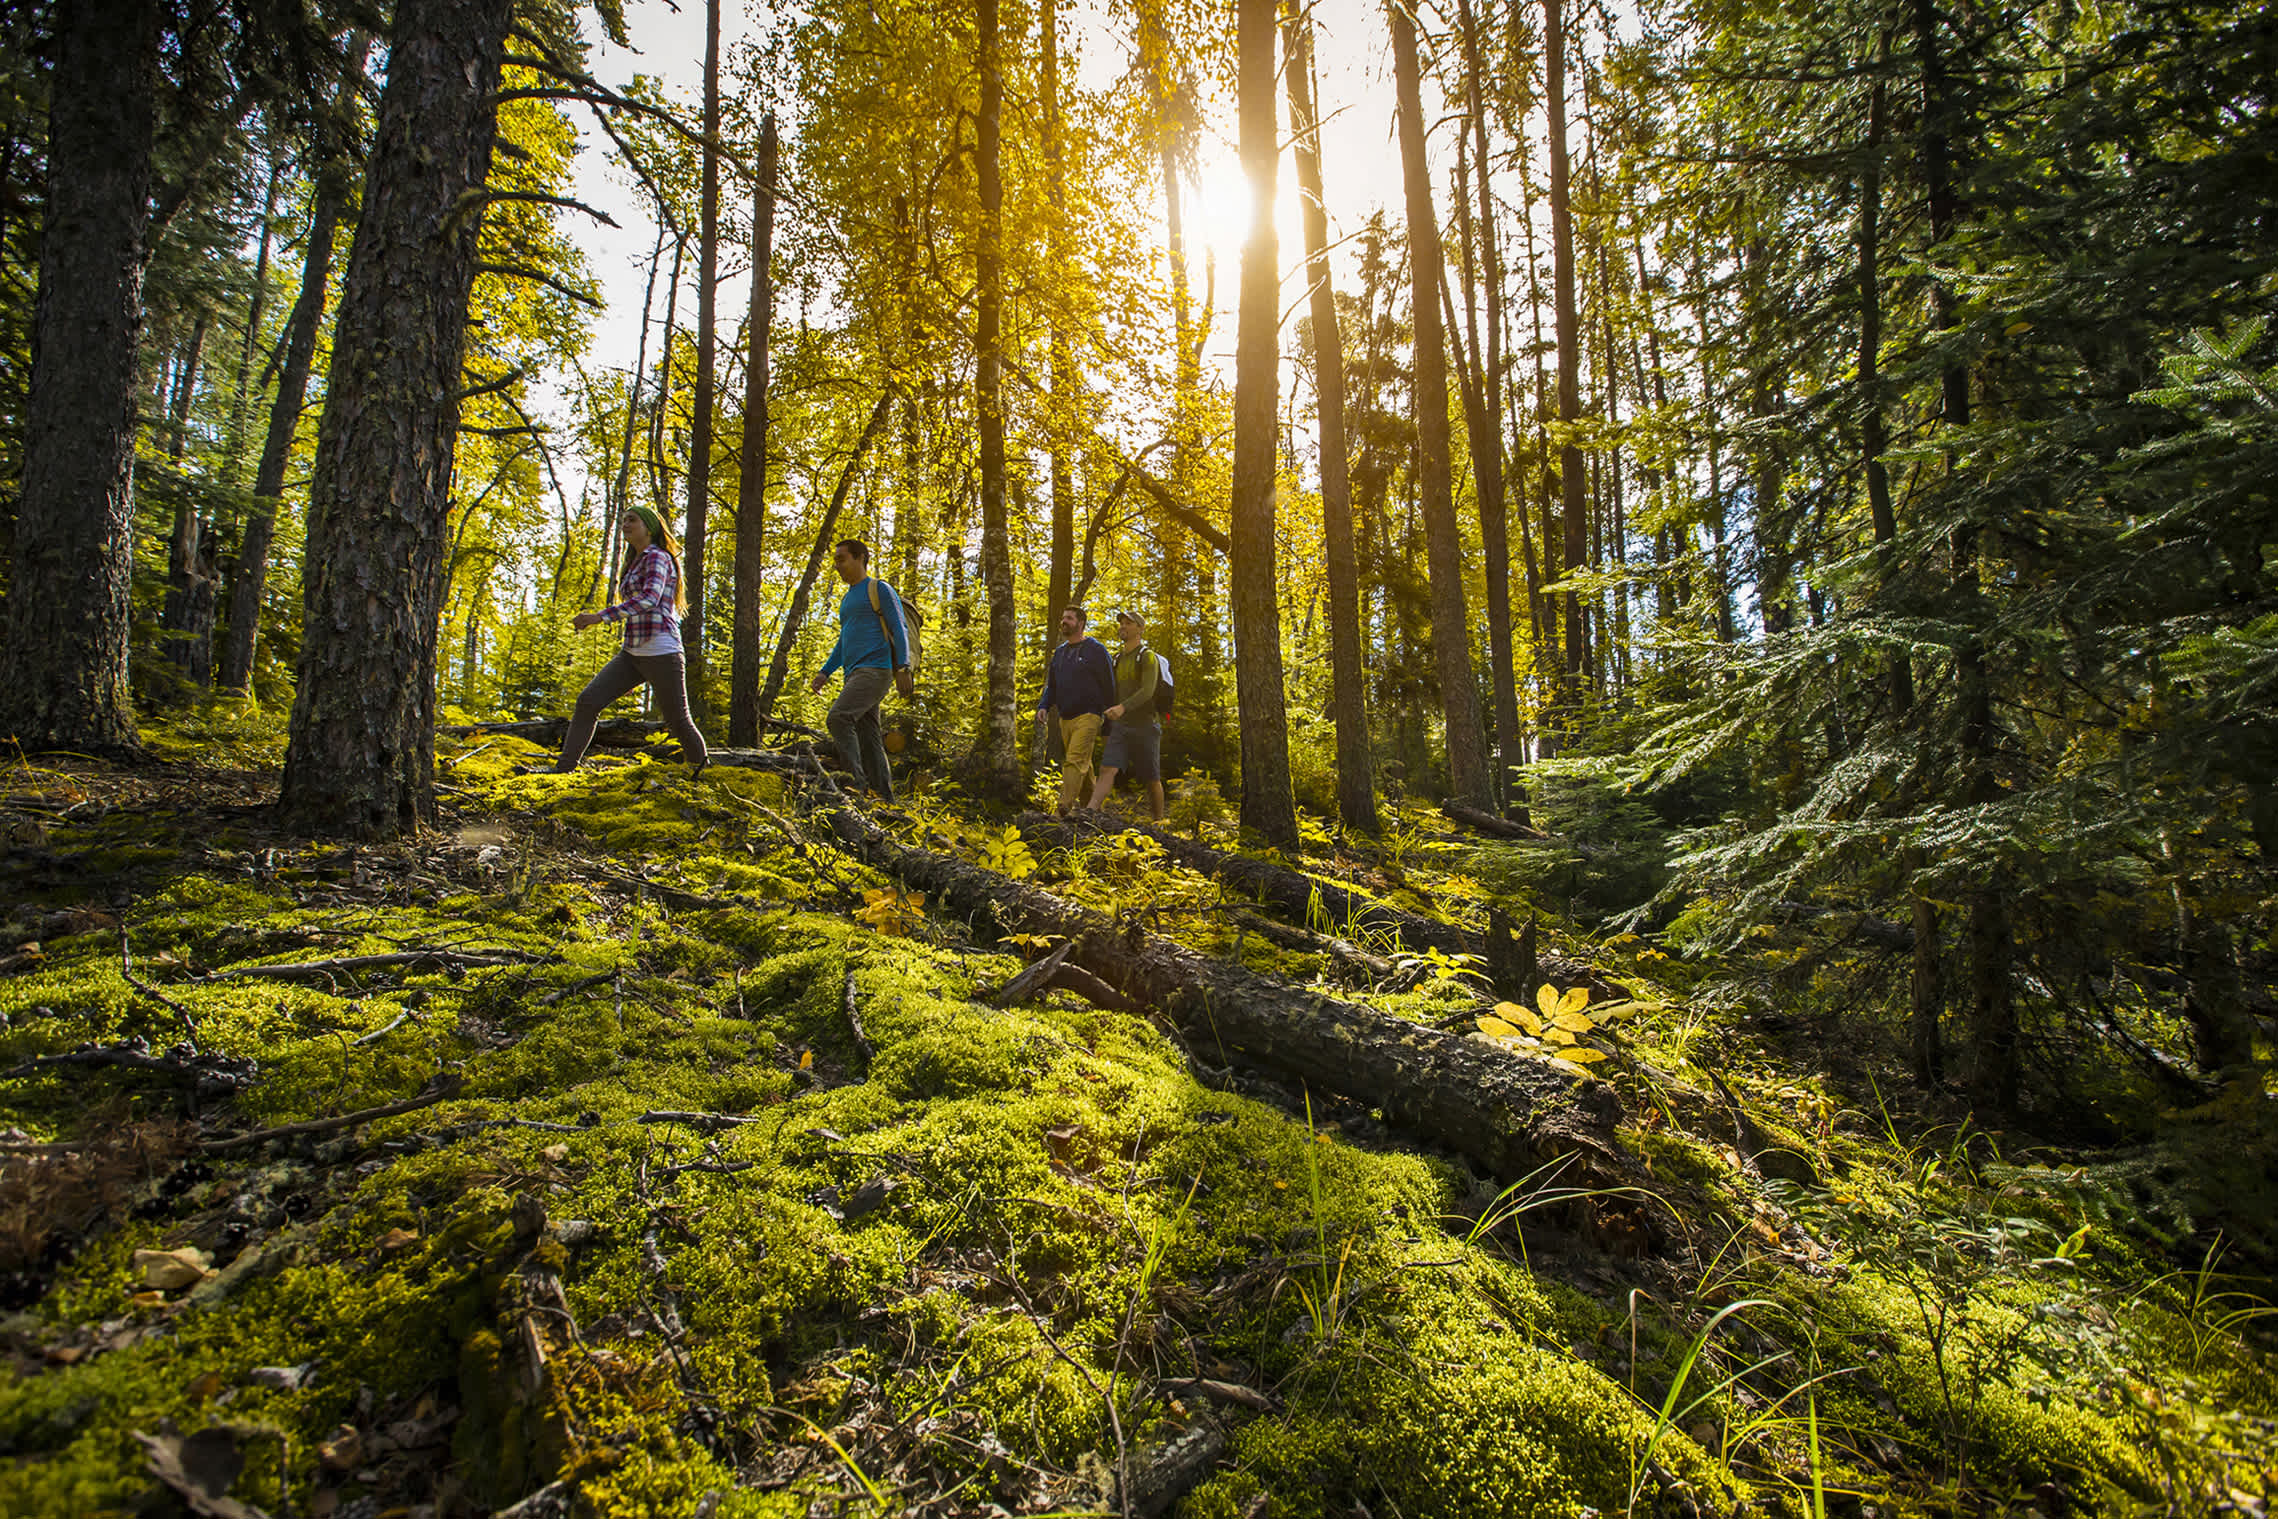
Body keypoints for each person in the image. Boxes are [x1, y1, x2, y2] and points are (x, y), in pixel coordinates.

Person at [541, 505, 708, 777]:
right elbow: (636, 612)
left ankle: (703, 775)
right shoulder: (635, 561)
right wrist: (630, 674)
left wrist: (599, 617)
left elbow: (648, 600)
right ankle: (563, 770)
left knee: (678, 721)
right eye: (623, 520)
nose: (625, 524)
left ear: (649, 527)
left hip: (662, 650)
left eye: (632, 520)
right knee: (588, 702)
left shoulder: (657, 556)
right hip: (633, 654)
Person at [809, 538, 912, 799]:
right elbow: (844, 641)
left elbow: (899, 628)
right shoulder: (846, 600)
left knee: (838, 718)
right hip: (855, 673)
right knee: (870, 736)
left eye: (842, 559)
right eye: (836, 561)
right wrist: (825, 671)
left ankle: (855, 785)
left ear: (860, 558)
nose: (838, 566)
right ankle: (884, 797)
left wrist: (903, 666)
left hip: (875, 669)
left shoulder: (879, 589)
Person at [1035, 605, 1116, 816]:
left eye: (1069, 618)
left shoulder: (1096, 650)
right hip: (1065, 717)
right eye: (1063, 617)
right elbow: (1052, 684)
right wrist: (1044, 705)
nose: (1064, 621)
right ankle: (1094, 811)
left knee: (1074, 760)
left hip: (1089, 714)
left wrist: (1109, 716)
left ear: (1080, 623)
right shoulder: (1060, 652)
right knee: (1083, 762)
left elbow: (1109, 684)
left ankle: (1063, 806)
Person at [1090, 609, 1166, 820]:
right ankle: (1090, 812)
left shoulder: (1147, 656)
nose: (1122, 626)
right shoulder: (1116, 659)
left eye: (1128, 623)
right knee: (1107, 768)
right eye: (1121, 623)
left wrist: (1122, 707)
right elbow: (1111, 691)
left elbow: (1147, 690)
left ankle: (1159, 822)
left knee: (1151, 778)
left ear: (1140, 629)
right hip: (1121, 727)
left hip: (1146, 725)